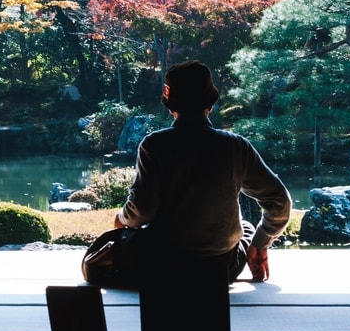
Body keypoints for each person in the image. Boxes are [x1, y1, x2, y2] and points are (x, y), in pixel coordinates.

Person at [114, 59, 292, 284]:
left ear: (170, 104)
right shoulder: (235, 146)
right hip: (220, 268)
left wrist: (121, 218)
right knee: (245, 228)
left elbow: (141, 211)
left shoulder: (155, 145)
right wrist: (261, 242)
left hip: (163, 266)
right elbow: (280, 202)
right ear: (211, 104)